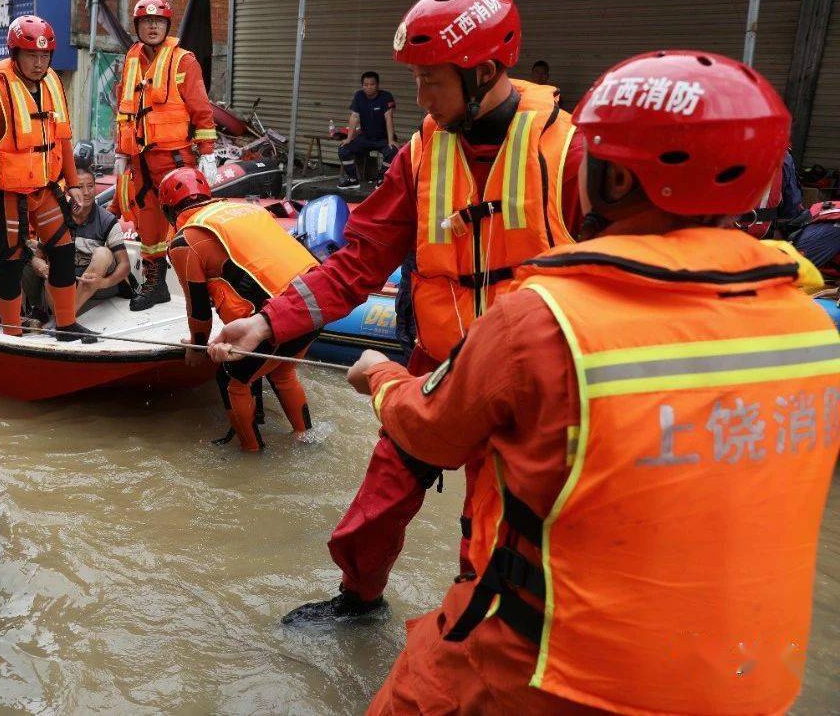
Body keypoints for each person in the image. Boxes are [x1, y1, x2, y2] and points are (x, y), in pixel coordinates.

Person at [353, 50, 839, 715]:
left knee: (411, 692)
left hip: (559, 678)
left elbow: (432, 431)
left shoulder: (543, 318)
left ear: (610, 180)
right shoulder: (811, 326)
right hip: (751, 682)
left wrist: (381, 377)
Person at [212, 0, 584, 625]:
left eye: (432, 82)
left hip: (532, 394)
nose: (419, 101)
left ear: (486, 72)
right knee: (372, 514)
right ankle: (360, 598)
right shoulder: (421, 157)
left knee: (493, 541)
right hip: (433, 369)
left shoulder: (569, 154)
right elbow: (357, 264)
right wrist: (268, 322)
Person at [162, 167, 320, 451]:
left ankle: (250, 455)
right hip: (318, 297)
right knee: (282, 372)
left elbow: (198, 310)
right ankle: (306, 439)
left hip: (278, 312)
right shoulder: (245, 210)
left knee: (231, 377)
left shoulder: (184, 241)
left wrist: (197, 347)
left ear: (168, 211)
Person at [0, 14, 96, 342]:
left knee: (64, 249)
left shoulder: (54, 81)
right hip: (6, 194)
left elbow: (63, 137)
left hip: (46, 188)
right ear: (15, 54)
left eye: (44, 56)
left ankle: (66, 325)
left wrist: (74, 183)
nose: (39, 63)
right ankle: (12, 332)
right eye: (30, 55)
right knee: (11, 261)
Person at [113, 0, 219, 311]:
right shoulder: (131, 61)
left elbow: (201, 108)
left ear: (167, 25)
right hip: (140, 160)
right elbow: (123, 110)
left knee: (189, 221)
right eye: (147, 22)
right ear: (138, 27)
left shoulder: (184, 61)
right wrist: (121, 151)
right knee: (149, 225)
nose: (153, 26)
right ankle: (155, 283)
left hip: (176, 159)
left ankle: (210, 285)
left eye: (158, 21)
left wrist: (209, 153)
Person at [23, 156, 131, 317]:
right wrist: (42, 268)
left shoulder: (107, 220)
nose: (86, 192)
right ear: (69, 190)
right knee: (29, 258)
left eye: (90, 186)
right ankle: (45, 312)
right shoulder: (55, 217)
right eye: (80, 187)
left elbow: (125, 265)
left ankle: (66, 317)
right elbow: (38, 256)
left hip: (97, 286)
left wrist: (104, 282)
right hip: (66, 282)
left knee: (103, 253)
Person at [338, 71, 398, 190]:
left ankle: (382, 180)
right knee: (343, 149)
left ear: (378, 85)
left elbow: (389, 118)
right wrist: (349, 138)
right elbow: (354, 117)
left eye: (372, 84)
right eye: (365, 85)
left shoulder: (386, 96)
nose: (369, 87)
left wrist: (391, 140)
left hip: (383, 138)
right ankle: (353, 180)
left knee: (392, 151)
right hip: (365, 138)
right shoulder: (359, 96)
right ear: (362, 85)